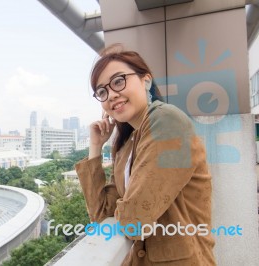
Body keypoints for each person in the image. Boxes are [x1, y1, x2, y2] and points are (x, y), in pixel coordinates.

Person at [75, 44, 216, 265]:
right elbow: (101, 213)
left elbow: (134, 220)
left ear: (146, 80)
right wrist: (95, 147)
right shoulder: (126, 146)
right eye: (102, 91)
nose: (111, 94)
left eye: (119, 81)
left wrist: (127, 207)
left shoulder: (167, 121)